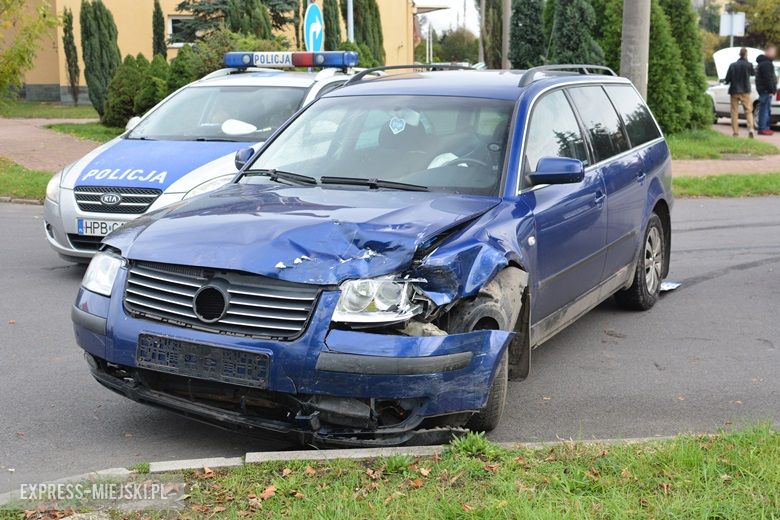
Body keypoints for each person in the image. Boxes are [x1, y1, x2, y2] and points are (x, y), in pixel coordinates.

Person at [724, 47, 755, 138]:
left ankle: (736, 133)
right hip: (745, 91)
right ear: (746, 54)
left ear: (739, 54)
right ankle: (751, 129)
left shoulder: (732, 65)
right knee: (748, 111)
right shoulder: (749, 65)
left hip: (734, 91)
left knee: (734, 112)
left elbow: (727, 79)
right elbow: (753, 74)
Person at [755, 44, 777, 136]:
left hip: (764, 90)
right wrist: (771, 89)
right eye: (772, 51)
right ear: (767, 51)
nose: (774, 53)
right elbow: (768, 78)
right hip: (765, 90)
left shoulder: (764, 63)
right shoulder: (766, 64)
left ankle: (765, 127)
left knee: (767, 110)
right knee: (764, 110)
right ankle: (763, 128)